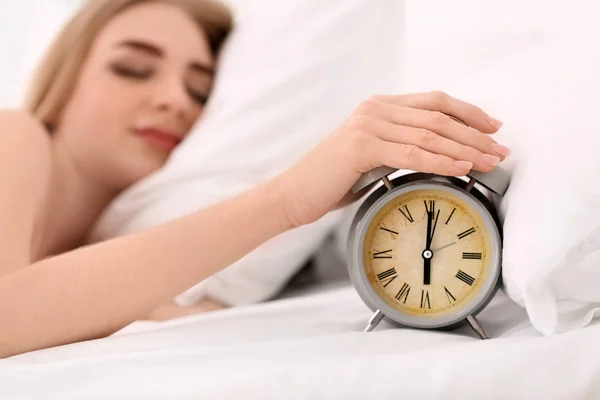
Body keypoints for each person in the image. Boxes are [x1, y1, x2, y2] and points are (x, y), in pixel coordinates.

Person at [0, 0, 510, 358]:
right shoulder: (13, 133)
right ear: (64, 81)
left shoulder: (115, 250)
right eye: (133, 68)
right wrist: (289, 198)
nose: (174, 100)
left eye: (200, 90)